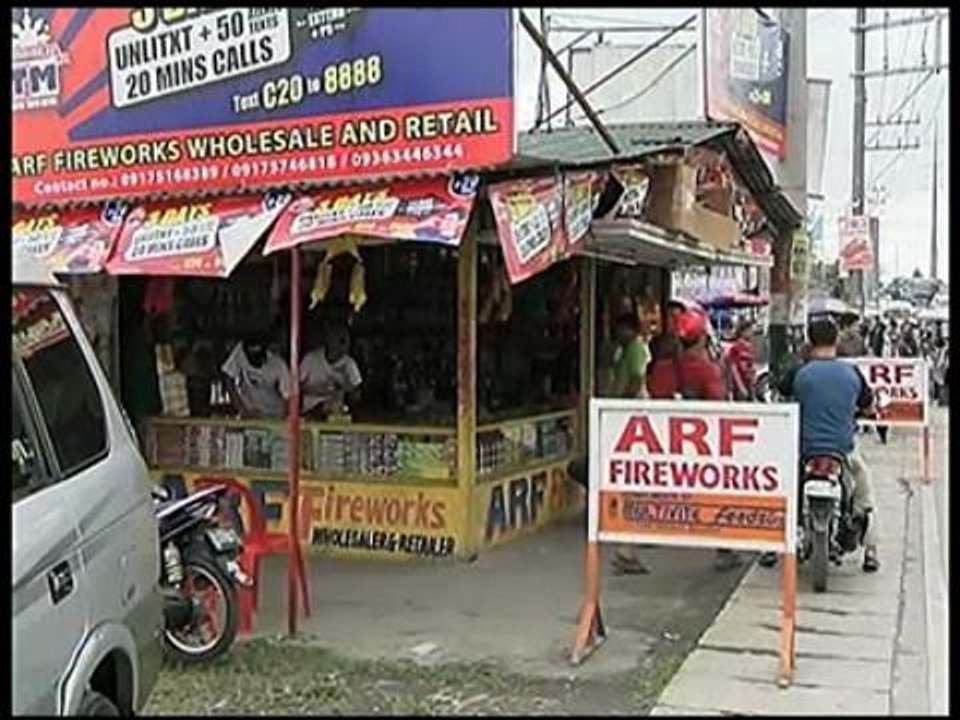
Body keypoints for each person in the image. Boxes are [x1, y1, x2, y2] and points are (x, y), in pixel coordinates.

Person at [762, 317, 880, 573]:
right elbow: (869, 406)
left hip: (804, 448)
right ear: (836, 340)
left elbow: (781, 392)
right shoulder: (851, 373)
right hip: (843, 448)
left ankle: (770, 546)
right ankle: (871, 551)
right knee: (863, 490)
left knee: (783, 489)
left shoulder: (799, 372)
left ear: (808, 340)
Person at [300, 324, 363, 419]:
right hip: (308, 410)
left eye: (347, 342)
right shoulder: (311, 358)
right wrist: (319, 389)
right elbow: (295, 388)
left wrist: (346, 384)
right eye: (341, 341)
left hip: (335, 413)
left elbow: (356, 396)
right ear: (329, 341)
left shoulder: (349, 364)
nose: (345, 346)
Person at [221, 331, 290, 418]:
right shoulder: (239, 353)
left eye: (258, 357)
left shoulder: (279, 365)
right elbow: (228, 377)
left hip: (273, 411)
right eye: (252, 357)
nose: (255, 361)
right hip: (249, 408)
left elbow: (288, 397)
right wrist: (241, 409)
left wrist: (282, 417)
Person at [612, 312, 651, 400]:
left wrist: (626, 399)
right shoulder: (624, 349)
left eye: (622, 329)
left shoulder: (635, 348)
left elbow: (636, 378)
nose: (618, 333)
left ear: (632, 330)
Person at [726, 317, 757, 401]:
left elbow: (751, 365)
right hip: (740, 386)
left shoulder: (749, 347)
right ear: (743, 331)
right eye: (750, 330)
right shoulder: (736, 347)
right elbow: (733, 368)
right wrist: (740, 386)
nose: (752, 332)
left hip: (749, 384)